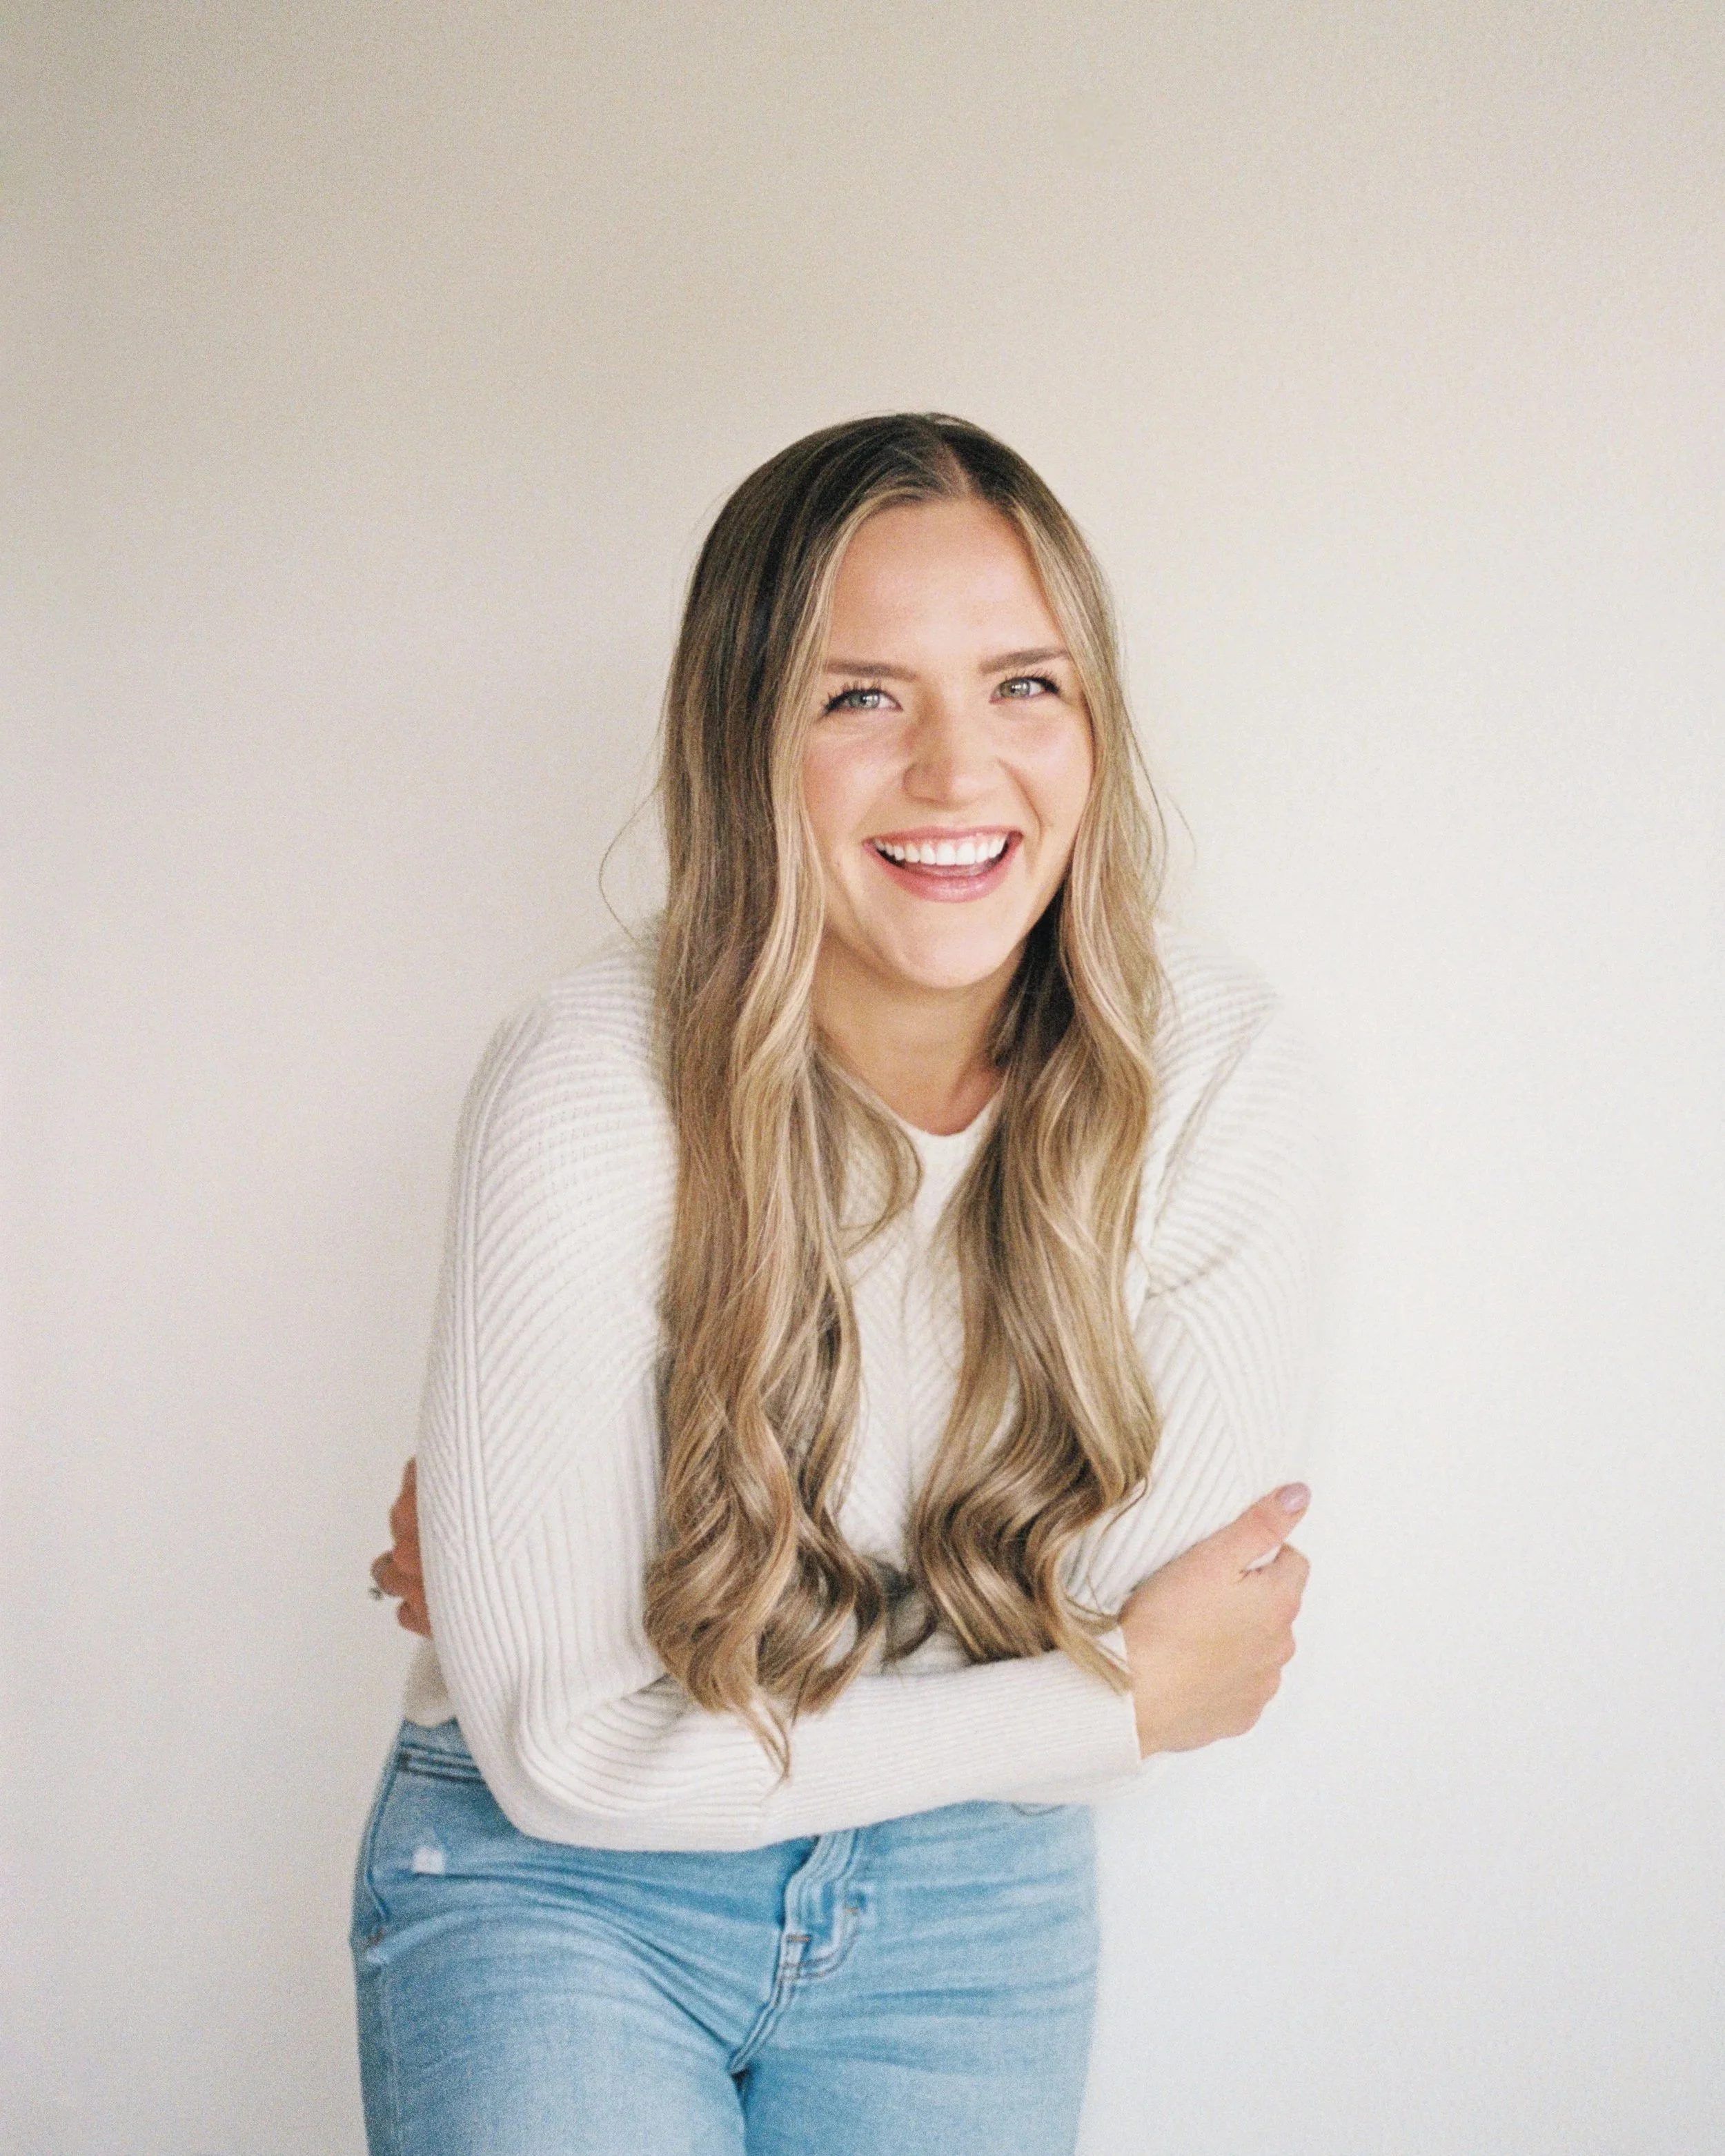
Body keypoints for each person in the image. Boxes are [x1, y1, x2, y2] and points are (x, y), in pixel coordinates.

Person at [356, 413, 1328, 2156]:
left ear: (1094, 724)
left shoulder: (1211, 1067)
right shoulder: (587, 1080)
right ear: (746, 743)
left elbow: (1168, 1620)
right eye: (858, 696)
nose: (957, 773)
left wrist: (662, 1539)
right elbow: (569, 1752)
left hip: (970, 1921)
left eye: (1023, 683)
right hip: (569, 1902)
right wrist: (1086, 1683)